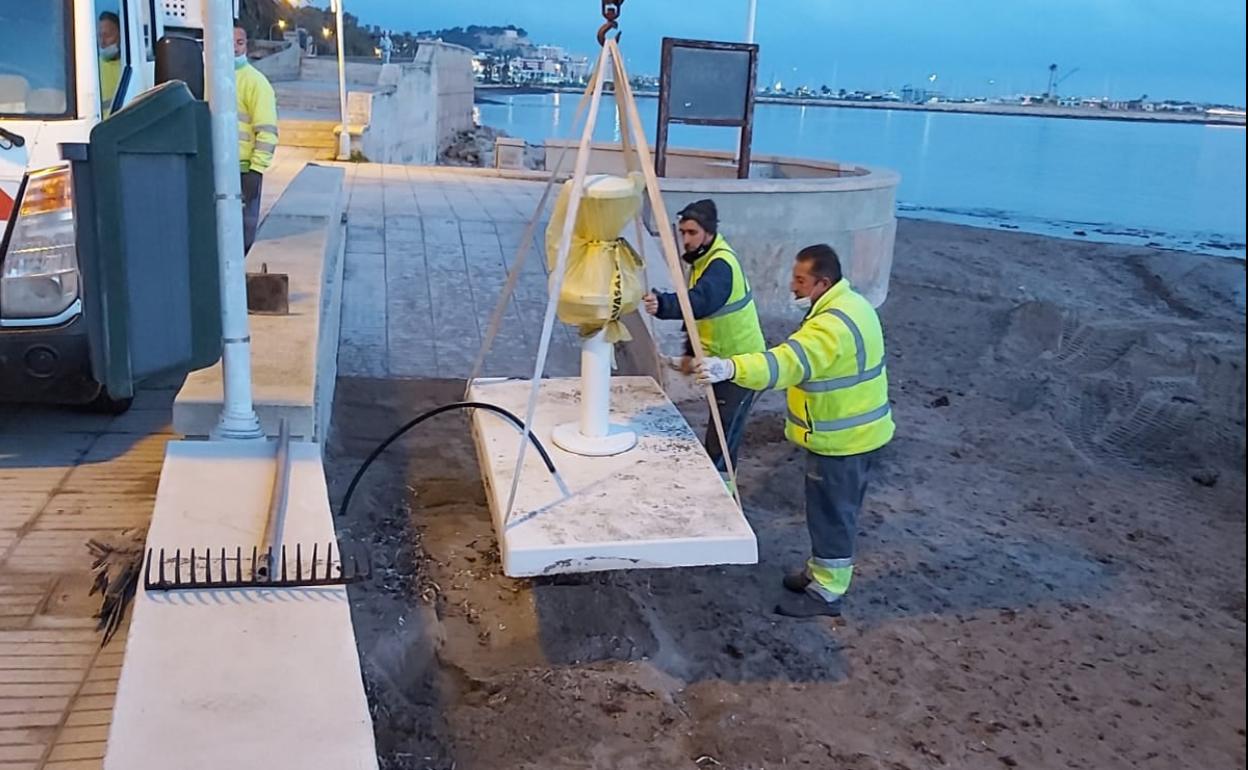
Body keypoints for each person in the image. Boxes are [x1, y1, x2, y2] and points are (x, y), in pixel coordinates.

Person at [695, 244, 894, 618]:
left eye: (801, 281)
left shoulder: (831, 326)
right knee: (831, 510)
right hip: (858, 434)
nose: (793, 287)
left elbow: (786, 363)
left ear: (823, 282)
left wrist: (731, 369)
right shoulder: (852, 306)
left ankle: (827, 591)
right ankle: (821, 572)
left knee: (831, 513)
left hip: (843, 441)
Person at [642, 199, 766, 489]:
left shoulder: (720, 265)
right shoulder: (704, 261)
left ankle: (724, 496)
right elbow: (700, 316)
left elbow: (700, 302)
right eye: (683, 232)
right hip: (723, 363)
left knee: (722, 438)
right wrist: (688, 353)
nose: (685, 239)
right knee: (719, 429)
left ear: (709, 232)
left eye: (692, 233)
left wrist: (664, 304)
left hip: (742, 366)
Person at [233, 21, 278, 253]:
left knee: (243, 234)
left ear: (246, 47)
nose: (233, 49)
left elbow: (268, 131)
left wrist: (256, 169)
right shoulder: (208, 78)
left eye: (239, 43)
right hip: (213, 168)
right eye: (228, 43)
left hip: (244, 172)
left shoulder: (256, 83)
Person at [98, 11, 122, 117]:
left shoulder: (132, 67)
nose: (102, 42)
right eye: (100, 36)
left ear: (121, 35)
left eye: (107, 35)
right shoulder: (93, 70)